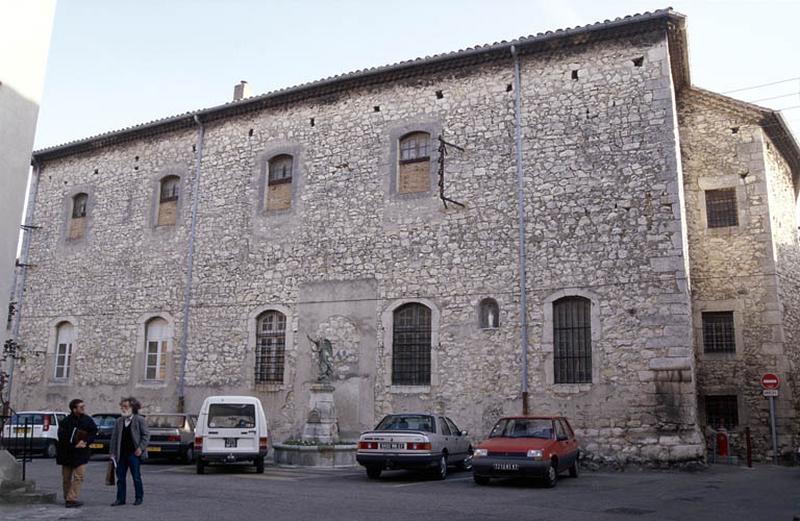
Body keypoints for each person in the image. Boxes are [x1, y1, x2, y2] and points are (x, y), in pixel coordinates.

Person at [56, 398, 98, 508]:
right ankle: (67, 498)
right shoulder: (65, 422)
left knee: (79, 476)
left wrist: (86, 441)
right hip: (67, 453)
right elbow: (62, 438)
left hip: (81, 454)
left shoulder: (88, 420)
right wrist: (74, 445)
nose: (83, 408)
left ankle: (71, 498)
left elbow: (93, 432)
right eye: (81, 407)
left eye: (84, 406)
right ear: (74, 409)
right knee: (66, 478)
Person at [110, 397, 150, 506]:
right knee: (120, 478)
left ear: (133, 408)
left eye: (125, 407)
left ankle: (139, 497)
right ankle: (120, 499)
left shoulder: (139, 420)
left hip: (134, 454)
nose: (123, 409)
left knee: (136, 477)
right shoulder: (119, 421)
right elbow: (114, 438)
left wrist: (140, 448)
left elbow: (146, 436)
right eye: (122, 407)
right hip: (121, 454)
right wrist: (112, 453)